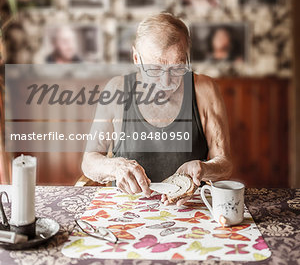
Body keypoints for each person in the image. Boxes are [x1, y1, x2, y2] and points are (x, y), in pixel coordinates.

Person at [82, 13, 232, 206]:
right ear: (136, 58)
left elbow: (225, 163)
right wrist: (115, 167)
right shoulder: (116, 90)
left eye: (178, 68)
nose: (166, 82)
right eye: (154, 70)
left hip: (188, 209)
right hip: (127, 211)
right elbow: (89, 162)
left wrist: (204, 168)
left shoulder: (204, 89)